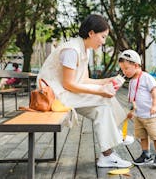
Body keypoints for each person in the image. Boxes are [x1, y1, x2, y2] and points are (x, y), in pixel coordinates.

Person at [37, 14, 133, 168]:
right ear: (91, 33)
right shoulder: (72, 50)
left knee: (101, 109)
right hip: (53, 95)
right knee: (102, 99)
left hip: (64, 91)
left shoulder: (84, 49)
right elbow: (68, 84)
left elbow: (84, 81)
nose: (103, 41)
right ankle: (114, 139)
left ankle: (107, 154)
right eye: (102, 37)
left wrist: (106, 81)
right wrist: (100, 91)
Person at [118, 49, 156, 168]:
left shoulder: (146, 78)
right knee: (142, 136)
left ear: (136, 65)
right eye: (122, 69)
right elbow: (133, 99)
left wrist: (154, 105)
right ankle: (146, 155)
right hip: (139, 116)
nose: (124, 72)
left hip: (151, 115)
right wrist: (132, 111)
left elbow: (154, 92)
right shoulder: (132, 81)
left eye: (126, 69)